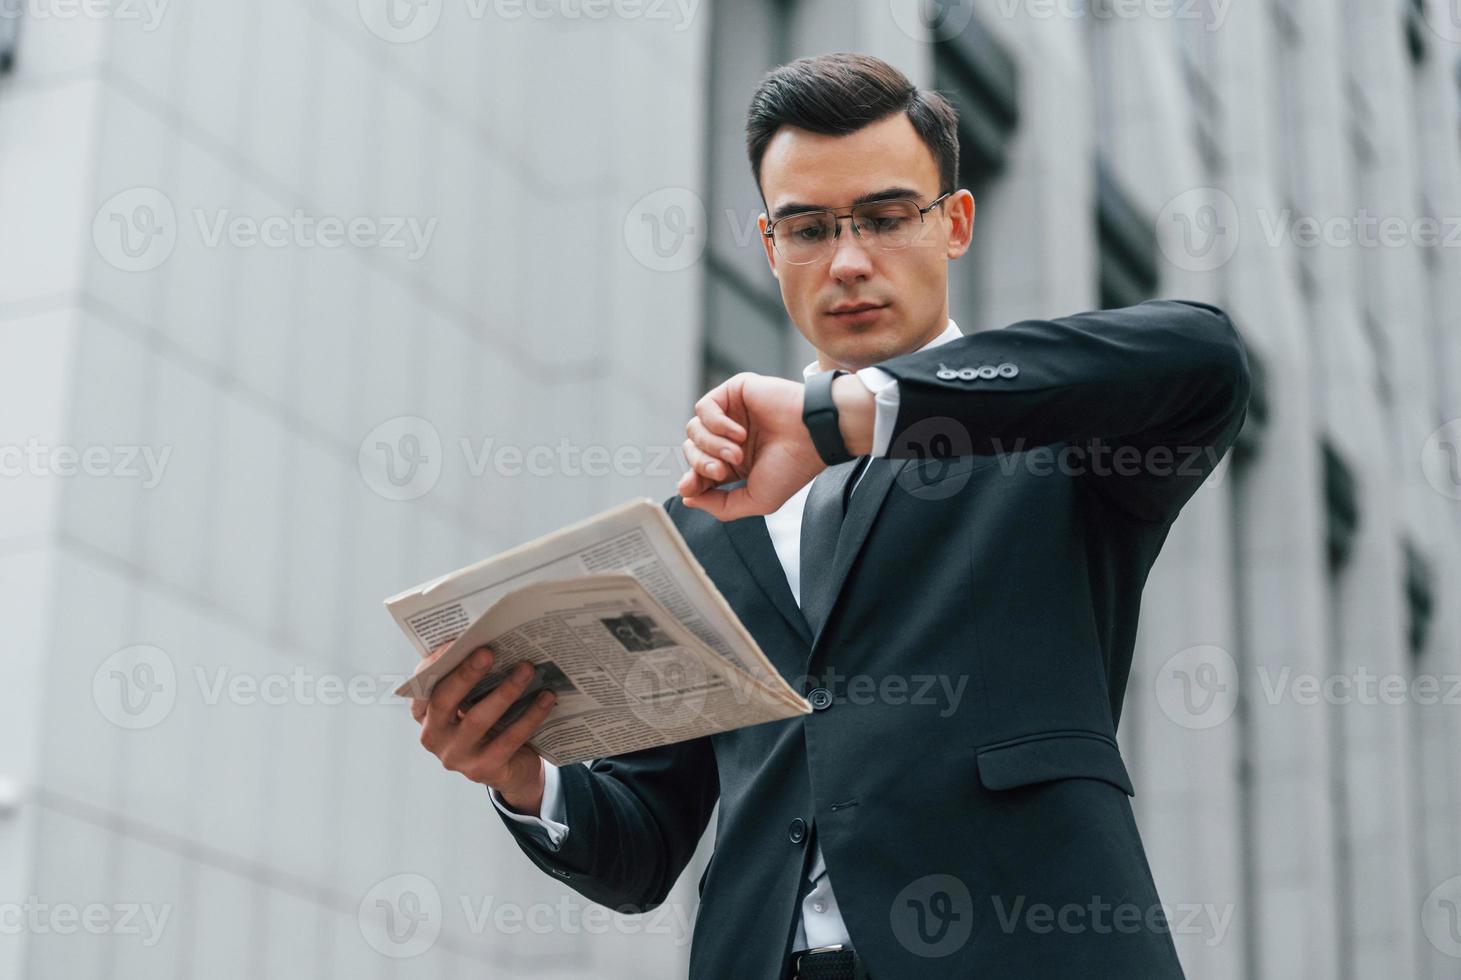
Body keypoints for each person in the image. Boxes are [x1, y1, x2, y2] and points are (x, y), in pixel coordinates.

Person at [411, 52, 1251, 980]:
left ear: (956, 224)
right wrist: (526, 781)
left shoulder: (1052, 442)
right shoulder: (701, 519)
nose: (848, 261)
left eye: (888, 218)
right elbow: (648, 842)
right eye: (808, 228)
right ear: (771, 247)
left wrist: (845, 418)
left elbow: (1202, 358)